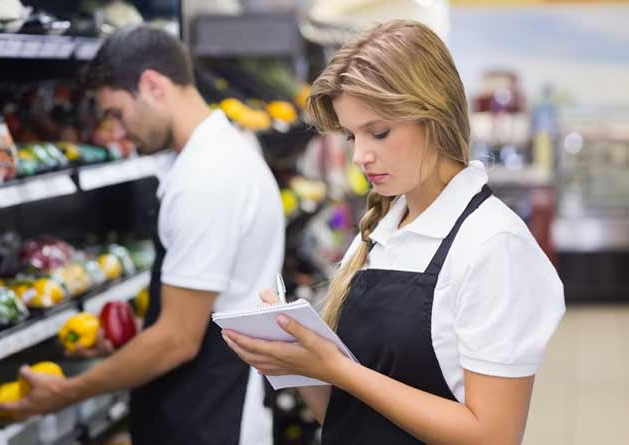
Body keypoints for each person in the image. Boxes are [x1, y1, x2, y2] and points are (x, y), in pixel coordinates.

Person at [222, 20, 565, 444]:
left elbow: (493, 435)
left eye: (379, 132)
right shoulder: (378, 234)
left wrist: (341, 370)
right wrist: (296, 363)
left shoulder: (492, 244)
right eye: (351, 135)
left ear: (434, 115)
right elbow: (345, 415)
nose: (360, 156)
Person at [0, 25, 284, 445]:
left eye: (116, 113)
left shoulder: (208, 177)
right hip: (204, 402)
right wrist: (124, 345)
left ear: (153, 86)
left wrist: (66, 393)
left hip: (212, 414)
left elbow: (177, 340)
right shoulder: (219, 153)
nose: (116, 131)